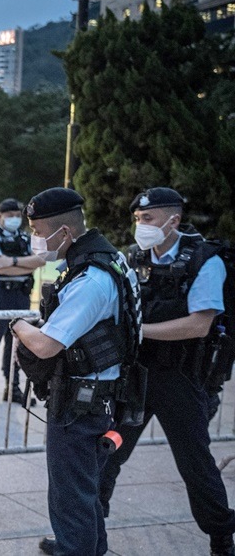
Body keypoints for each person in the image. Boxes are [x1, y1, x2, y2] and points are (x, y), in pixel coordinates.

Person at [97, 187, 234, 556]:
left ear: (173, 220)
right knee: (108, 450)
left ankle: (221, 537)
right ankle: (85, 533)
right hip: (136, 376)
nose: (141, 226)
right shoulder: (133, 258)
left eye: (149, 219)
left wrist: (138, 331)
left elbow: (199, 325)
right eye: (138, 219)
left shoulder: (205, 260)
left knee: (195, 463)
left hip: (181, 379)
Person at [11, 187, 141, 556]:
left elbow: (46, 345)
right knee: (85, 492)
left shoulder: (90, 279)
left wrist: (19, 325)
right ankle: (87, 547)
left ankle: (76, 548)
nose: (35, 239)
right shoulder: (108, 260)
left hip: (81, 403)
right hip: (98, 396)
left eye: (38, 231)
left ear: (64, 233)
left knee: (71, 497)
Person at [0, 197, 43, 406]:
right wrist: (24, 265)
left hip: (21, 294)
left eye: (17, 215)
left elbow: (40, 261)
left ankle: (13, 386)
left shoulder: (25, 238)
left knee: (17, 341)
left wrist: (12, 262)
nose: (14, 219)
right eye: (10, 215)